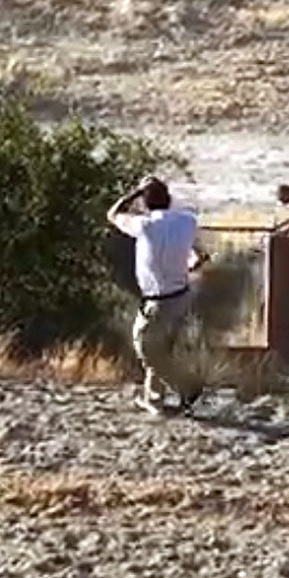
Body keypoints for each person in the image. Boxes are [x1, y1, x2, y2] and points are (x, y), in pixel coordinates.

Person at [107, 176, 210, 416]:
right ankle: (153, 399)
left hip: (159, 300)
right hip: (182, 295)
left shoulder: (144, 225)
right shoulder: (186, 221)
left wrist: (135, 192)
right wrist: (190, 265)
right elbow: (199, 254)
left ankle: (186, 388)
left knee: (145, 345)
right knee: (163, 347)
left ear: (144, 202)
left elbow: (113, 214)